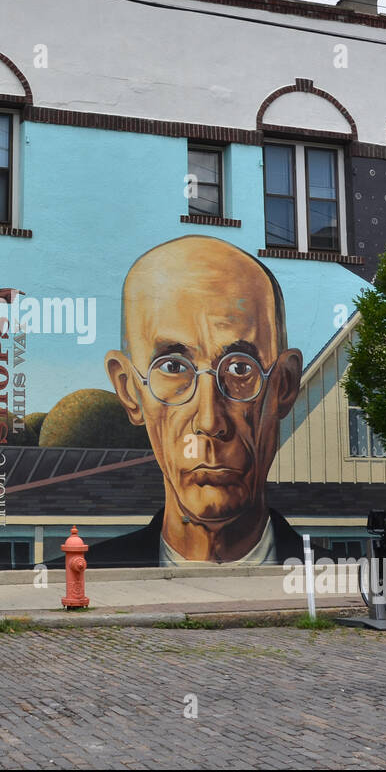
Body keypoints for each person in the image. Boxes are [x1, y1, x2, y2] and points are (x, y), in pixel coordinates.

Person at [96, 235, 306, 565]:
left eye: (240, 368)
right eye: (173, 367)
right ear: (129, 390)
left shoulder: (343, 580)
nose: (209, 422)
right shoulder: (85, 579)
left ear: (285, 385)